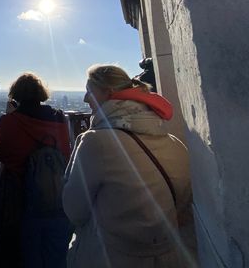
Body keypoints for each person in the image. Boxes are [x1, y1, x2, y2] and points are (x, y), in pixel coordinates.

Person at [63, 64, 195, 268]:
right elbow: (183, 204)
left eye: (90, 92)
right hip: (170, 257)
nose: (85, 99)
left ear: (108, 93)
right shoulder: (175, 143)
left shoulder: (97, 143)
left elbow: (74, 210)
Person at [0, 72, 72, 268]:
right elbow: (66, 152)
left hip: (21, 200)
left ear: (15, 95)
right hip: (58, 196)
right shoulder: (60, 118)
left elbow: (2, 154)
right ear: (41, 93)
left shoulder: (9, 121)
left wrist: (11, 116)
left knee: (25, 256)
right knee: (57, 255)